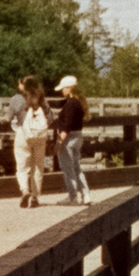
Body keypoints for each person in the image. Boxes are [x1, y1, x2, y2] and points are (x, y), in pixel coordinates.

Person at [6, 76, 53, 208]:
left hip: (23, 134)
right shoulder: (42, 100)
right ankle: (34, 197)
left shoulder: (17, 99)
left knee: (22, 166)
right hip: (40, 136)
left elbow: (9, 117)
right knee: (38, 167)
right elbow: (50, 117)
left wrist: (3, 119)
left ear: (23, 86)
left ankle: (25, 190)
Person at [52, 75, 90, 206]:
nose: (62, 91)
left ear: (69, 88)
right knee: (76, 166)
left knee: (68, 168)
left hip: (68, 137)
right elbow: (60, 103)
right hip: (78, 136)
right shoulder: (78, 102)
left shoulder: (70, 105)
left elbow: (67, 124)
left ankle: (73, 196)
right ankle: (85, 194)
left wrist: (59, 141)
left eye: (63, 88)